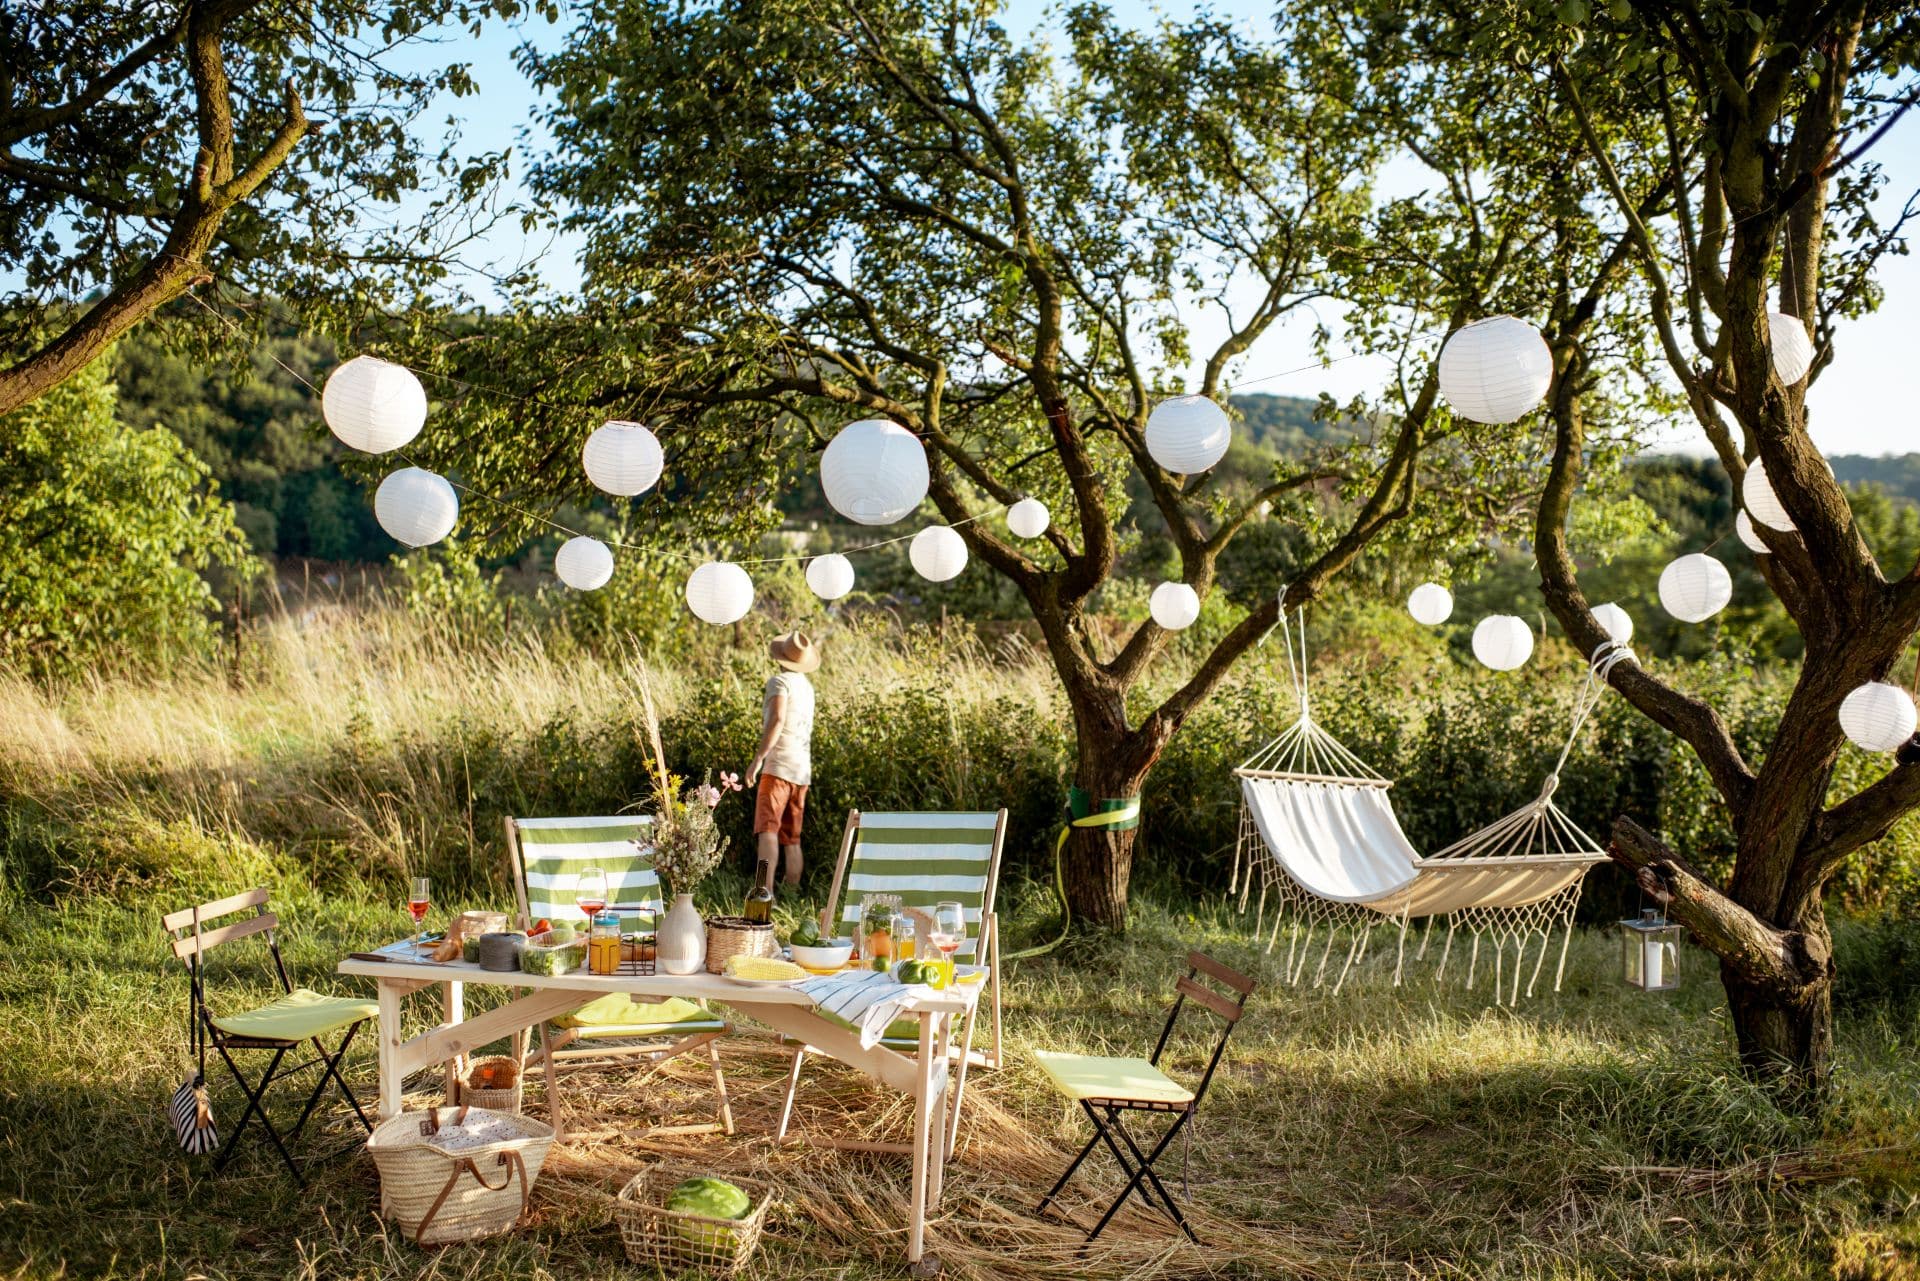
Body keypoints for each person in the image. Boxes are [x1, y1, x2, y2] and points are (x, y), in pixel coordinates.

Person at [746, 629, 818, 892]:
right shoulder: (808, 688)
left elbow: (777, 720)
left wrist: (758, 759)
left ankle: (763, 894)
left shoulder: (779, 682)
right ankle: (791, 894)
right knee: (792, 839)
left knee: (768, 830)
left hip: (778, 767)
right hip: (801, 772)